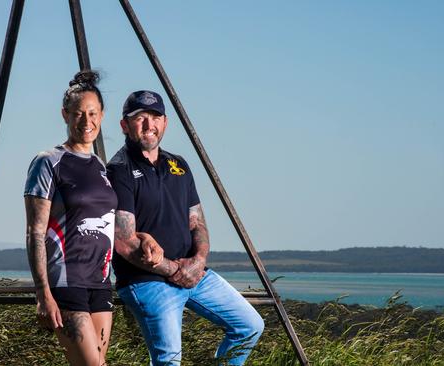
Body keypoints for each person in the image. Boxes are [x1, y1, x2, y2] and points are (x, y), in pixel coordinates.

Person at [107, 90, 265, 365]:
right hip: (147, 280)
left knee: (250, 326)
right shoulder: (118, 170)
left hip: (194, 273)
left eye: (155, 117)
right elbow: (124, 242)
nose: (149, 125)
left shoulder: (178, 165)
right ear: (124, 125)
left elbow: (197, 222)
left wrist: (198, 262)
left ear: (165, 123)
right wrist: (175, 270)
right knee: (170, 360)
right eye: (140, 118)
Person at [24, 70, 116, 366]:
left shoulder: (100, 166)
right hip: (66, 281)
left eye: (92, 113)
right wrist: (42, 293)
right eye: (78, 113)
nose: (86, 122)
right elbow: (35, 232)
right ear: (65, 115)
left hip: (100, 282)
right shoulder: (48, 162)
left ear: (102, 115)